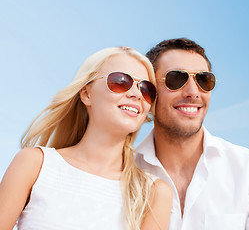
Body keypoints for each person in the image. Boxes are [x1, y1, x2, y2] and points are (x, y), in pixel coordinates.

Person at [0, 46, 172, 230]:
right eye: (121, 81)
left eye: (146, 89)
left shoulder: (154, 193)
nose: (136, 94)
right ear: (86, 94)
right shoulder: (34, 164)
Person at [135, 38, 249, 229]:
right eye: (176, 79)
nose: (193, 92)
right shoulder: (124, 174)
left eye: (203, 80)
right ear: (149, 91)